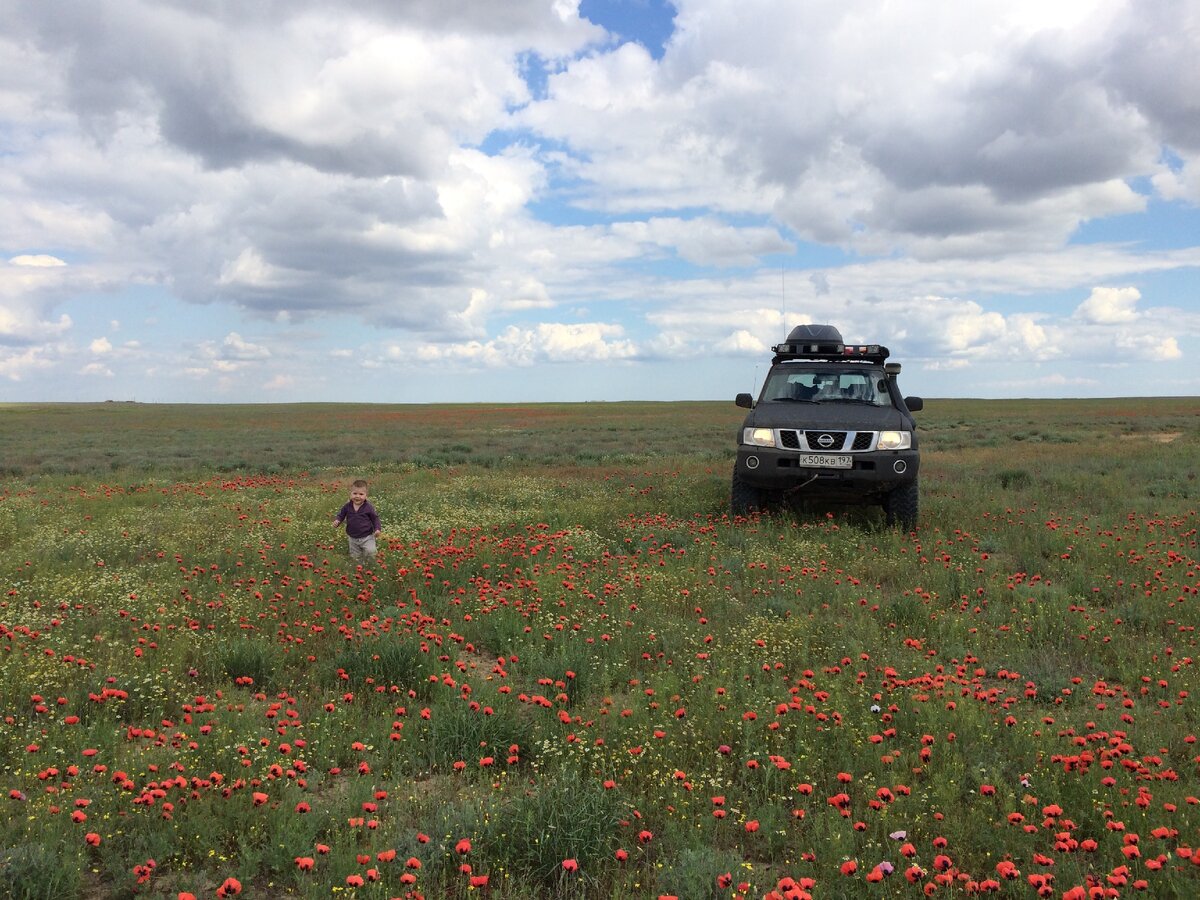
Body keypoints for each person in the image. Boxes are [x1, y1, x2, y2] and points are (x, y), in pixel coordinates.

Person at [332, 479, 382, 565]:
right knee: (356, 557)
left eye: (361, 494)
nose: (357, 496)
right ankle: (360, 570)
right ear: (350, 494)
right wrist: (338, 520)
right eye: (355, 493)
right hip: (352, 538)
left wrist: (377, 529)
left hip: (367, 537)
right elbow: (341, 514)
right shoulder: (347, 506)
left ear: (366, 495)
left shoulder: (368, 507)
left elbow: (375, 518)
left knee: (371, 552)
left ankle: (372, 566)